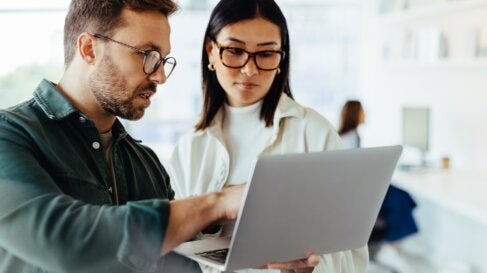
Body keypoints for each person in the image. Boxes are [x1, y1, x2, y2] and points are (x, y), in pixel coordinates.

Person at [0, 1, 248, 272]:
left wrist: (271, 252)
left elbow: (180, 266)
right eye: (148, 55)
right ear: (89, 49)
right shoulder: (10, 135)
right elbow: (64, 241)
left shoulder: (147, 163)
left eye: (164, 60)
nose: (161, 76)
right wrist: (216, 203)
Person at [167, 1, 369, 273]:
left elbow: (352, 257)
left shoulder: (315, 133)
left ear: (281, 59)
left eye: (266, 54)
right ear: (211, 52)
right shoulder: (189, 148)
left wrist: (310, 269)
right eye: (235, 51)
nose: (250, 69)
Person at [338, 100, 418, 273]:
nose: (365, 115)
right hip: (357, 192)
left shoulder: (351, 135)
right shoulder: (349, 139)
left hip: (362, 186)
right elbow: (351, 175)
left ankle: (394, 244)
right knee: (399, 200)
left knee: (403, 197)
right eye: (363, 112)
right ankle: (393, 244)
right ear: (355, 114)